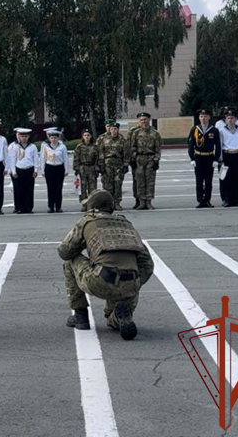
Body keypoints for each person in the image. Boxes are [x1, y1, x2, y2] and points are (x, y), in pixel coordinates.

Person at [57, 190, 154, 340]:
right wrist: (135, 284)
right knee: (113, 319)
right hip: (130, 284)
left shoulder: (88, 221)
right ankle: (118, 315)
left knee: (70, 261)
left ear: (93, 208)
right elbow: (147, 264)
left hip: (101, 280)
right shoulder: (127, 224)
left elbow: (64, 251)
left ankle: (80, 316)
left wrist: (86, 241)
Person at [187, 109, 221, 208]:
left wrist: (216, 159)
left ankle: (207, 200)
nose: (203, 118)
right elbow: (190, 145)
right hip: (198, 157)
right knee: (199, 180)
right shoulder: (195, 129)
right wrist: (192, 158)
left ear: (209, 117)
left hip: (209, 157)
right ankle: (200, 200)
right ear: (199, 118)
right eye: (201, 116)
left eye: (205, 116)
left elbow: (218, 146)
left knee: (208, 181)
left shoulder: (214, 130)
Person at [130, 112, 162, 210]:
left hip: (150, 158)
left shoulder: (155, 133)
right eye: (141, 119)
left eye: (145, 119)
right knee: (140, 182)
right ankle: (141, 202)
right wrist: (133, 159)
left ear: (149, 120)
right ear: (139, 121)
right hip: (139, 159)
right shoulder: (135, 133)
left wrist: (156, 160)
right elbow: (132, 146)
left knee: (150, 181)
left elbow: (158, 148)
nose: (143, 121)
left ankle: (149, 202)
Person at [219, 108, 238, 207]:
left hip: (237, 155)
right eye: (228, 118)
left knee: (236, 179)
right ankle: (226, 200)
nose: (230, 120)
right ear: (225, 120)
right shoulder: (222, 131)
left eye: (232, 118)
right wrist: (221, 159)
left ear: (236, 119)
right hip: (226, 155)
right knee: (226, 179)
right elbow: (220, 145)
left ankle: (236, 200)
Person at [97, 121, 128, 211]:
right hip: (107, 164)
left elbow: (126, 153)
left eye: (115, 129)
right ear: (109, 130)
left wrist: (125, 164)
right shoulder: (103, 139)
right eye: (111, 129)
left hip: (118, 164)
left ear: (118, 130)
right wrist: (101, 165)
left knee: (118, 183)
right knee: (107, 184)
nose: (113, 131)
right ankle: (108, 203)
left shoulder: (122, 139)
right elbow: (100, 152)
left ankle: (117, 202)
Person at [8, 128, 39, 214]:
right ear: (19, 137)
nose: (24, 138)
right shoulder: (15, 146)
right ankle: (21, 208)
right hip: (19, 169)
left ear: (28, 136)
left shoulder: (32, 147)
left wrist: (35, 170)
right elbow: (13, 159)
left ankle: (29, 208)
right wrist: (13, 171)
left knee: (29, 189)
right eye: (22, 136)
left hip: (29, 169)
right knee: (19, 190)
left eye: (25, 136)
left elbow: (36, 159)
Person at [41, 128, 69, 213]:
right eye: (52, 138)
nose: (53, 139)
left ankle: (58, 206)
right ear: (49, 138)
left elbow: (65, 159)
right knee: (50, 188)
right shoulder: (45, 147)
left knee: (58, 188)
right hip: (49, 167)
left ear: (58, 138)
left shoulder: (62, 147)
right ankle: (51, 206)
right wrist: (43, 170)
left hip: (59, 168)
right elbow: (43, 158)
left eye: (55, 138)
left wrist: (66, 170)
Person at [74, 130, 100, 212]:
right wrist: (76, 168)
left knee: (92, 188)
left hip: (92, 167)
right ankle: (84, 204)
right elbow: (76, 158)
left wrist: (97, 168)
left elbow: (98, 158)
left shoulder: (95, 147)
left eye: (88, 135)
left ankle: (92, 205)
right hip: (82, 168)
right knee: (83, 187)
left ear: (91, 136)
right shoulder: (79, 146)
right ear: (82, 137)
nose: (86, 137)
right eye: (85, 135)